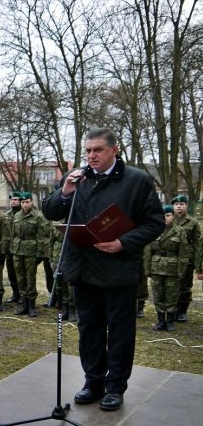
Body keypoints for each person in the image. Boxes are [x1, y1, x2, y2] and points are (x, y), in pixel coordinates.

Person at [42, 128, 164, 411]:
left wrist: (123, 242)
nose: (91, 156)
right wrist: (65, 191)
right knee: (89, 330)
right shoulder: (77, 178)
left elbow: (154, 222)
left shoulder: (137, 180)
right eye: (87, 151)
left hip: (118, 268)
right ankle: (93, 381)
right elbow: (50, 211)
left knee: (120, 332)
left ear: (114, 150)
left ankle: (115, 387)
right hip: (82, 268)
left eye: (97, 150)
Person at [144, 205, 188, 332]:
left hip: (172, 269)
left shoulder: (179, 231)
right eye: (162, 215)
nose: (165, 218)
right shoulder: (153, 230)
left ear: (173, 216)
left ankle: (170, 322)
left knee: (171, 295)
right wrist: (147, 269)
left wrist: (181, 271)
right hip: (156, 267)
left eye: (168, 215)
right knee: (157, 295)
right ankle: (160, 321)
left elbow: (183, 253)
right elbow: (148, 251)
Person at [10, 192, 48, 317]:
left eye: (27, 202)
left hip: (31, 251)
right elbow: (13, 235)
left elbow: (41, 236)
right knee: (20, 278)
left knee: (30, 278)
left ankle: (32, 305)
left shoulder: (38, 216)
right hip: (18, 250)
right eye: (22, 202)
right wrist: (12, 249)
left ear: (32, 202)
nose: (24, 204)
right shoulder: (17, 215)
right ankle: (24, 304)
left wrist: (40, 253)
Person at [171, 195, 201, 322]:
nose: (179, 206)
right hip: (170, 258)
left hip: (186, 259)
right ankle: (171, 311)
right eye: (176, 204)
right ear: (173, 206)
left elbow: (197, 244)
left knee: (185, 286)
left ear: (186, 206)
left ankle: (182, 311)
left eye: (182, 204)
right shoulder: (167, 219)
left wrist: (195, 262)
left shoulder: (193, 222)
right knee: (170, 285)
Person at [5, 192, 22, 304]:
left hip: (20, 248)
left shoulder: (22, 213)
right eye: (12, 200)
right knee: (11, 272)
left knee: (20, 273)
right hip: (9, 249)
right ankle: (15, 293)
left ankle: (22, 294)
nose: (13, 201)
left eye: (16, 199)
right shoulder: (6, 215)